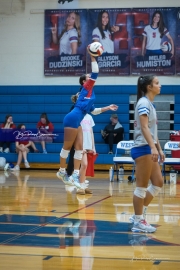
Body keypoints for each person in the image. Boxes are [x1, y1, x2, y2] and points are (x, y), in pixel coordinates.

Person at [56, 47, 118, 189]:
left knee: (79, 148)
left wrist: (108, 108)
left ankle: (75, 175)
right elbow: (96, 72)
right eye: (88, 76)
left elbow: (93, 111)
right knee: (67, 148)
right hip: (72, 118)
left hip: (77, 120)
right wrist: (92, 56)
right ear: (86, 82)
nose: (91, 76)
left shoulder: (90, 94)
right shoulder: (86, 88)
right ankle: (61, 171)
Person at [130, 75, 165, 233]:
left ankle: (138, 214)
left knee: (158, 182)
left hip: (149, 146)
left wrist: (159, 148)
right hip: (143, 147)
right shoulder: (143, 103)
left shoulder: (150, 104)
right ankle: (138, 221)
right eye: (157, 83)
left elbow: (151, 130)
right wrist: (152, 148)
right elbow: (144, 128)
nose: (160, 85)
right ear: (149, 87)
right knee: (141, 187)